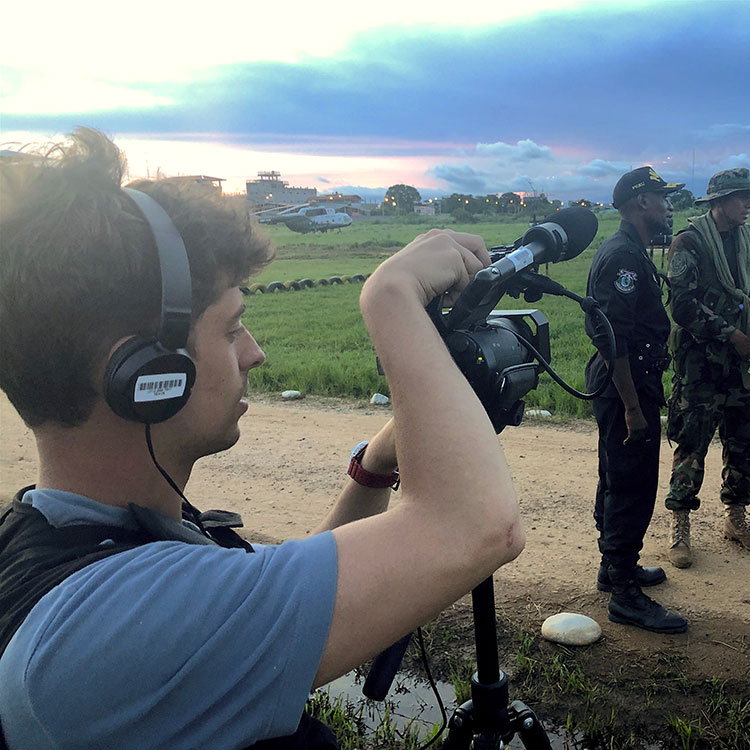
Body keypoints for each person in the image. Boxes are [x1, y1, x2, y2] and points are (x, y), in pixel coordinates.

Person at [0, 129, 525, 748]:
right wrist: (391, 299)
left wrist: (376, 466)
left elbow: (276, 621)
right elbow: (478, 527)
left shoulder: (70, 542)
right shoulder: (100, 630)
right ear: (145, 377)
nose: (256, 352)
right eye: (231, 328)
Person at [664, 168, 750, 568]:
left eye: (749, 197)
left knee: (743, 439)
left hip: (743, 362)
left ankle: (736, 519)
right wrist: (732, 334)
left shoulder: (748, 238)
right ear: (719, 202)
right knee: (692, 444)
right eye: (741, 198)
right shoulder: (689, 241)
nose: (749, 205)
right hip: (701, 363)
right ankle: (680, 527)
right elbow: (681, 305)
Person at [584, 166, 687, 634]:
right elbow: (613, 339)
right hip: (625, 384)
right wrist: (631, 407)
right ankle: (625, 592)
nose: (668, 206)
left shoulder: (632, 251)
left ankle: (613, 567)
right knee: (632, 484)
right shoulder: (623, 257)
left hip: (628, 381)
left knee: (616, 475)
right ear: (640, 202)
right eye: (661, 197)